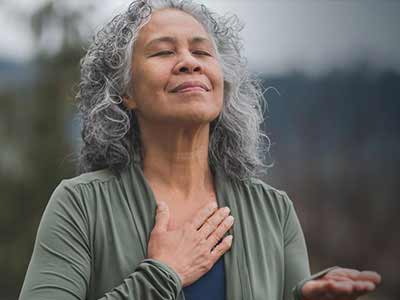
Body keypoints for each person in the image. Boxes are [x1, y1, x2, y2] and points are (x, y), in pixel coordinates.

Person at [19, 0, 381, 299]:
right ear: (124, 93)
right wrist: (162, 275)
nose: (189, 61)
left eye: (201, 51)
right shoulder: (81, 205)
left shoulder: (274, 211)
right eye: (163, 52)